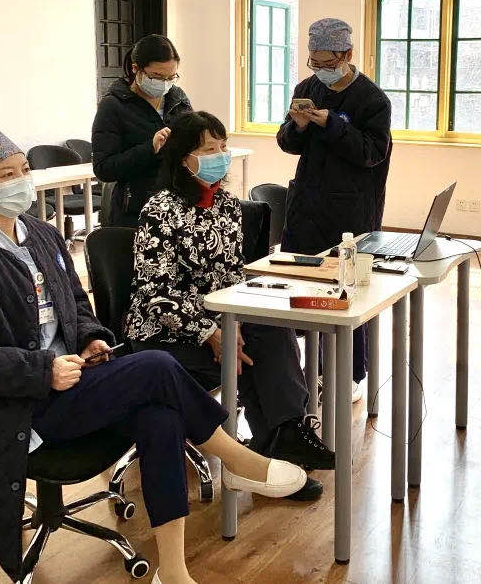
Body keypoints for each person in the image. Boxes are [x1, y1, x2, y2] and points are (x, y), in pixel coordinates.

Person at [0, 130, 306, 584]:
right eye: (6, 175)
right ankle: (237, 459)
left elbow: (76, 305)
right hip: (15, 407)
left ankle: (174, 572)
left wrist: (89, 338)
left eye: (24, 170)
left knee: (161, 417)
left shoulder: (42, 235)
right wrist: (42, 370)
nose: (22, 181)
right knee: (156, 365)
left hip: (73, 384)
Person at [127, 111, 334, 501]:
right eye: (209, 149)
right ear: (183, 158)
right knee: (259, 355)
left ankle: (283, 438)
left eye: (223, 147)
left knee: (271, 327)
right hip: (164, 333)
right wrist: (212, 333)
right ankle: (267, 455)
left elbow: (230, 276)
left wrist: (234, 326)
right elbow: (155, 294)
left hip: (220, 319)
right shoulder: (160, 210)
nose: (220, 156)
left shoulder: (225, 205)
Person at [276, 18, 393, 393]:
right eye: (315, 62)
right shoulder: (306, 89)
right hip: (307, 208)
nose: (321, 71)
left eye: (328, 63)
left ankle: (349, 376)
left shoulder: (372, 100)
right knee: (302, 290)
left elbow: (371, 153)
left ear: (347, 55)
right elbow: (288, 143)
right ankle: (302, 372)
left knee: (347, 294)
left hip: (352, 212)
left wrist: (333, 125)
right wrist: (298, 126)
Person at [92, 34, 192, 227]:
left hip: (177, 206)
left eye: (171, 77)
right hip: (135, 212)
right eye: (157, 76)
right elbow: (104, 168)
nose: (165, 83)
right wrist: (150, 148)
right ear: (135, 68)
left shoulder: (177, 98)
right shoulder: (113, 105)